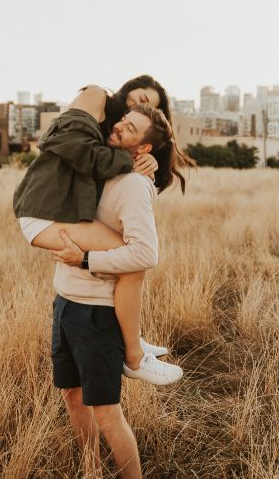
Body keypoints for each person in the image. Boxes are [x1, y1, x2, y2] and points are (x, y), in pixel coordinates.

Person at [43, 104, 190, 478]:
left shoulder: (133, 185)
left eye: (130, 129)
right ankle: (90, 469)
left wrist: (87, 259)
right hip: (65, 303)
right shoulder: (96, 165)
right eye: (123, 121)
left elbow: (145, 253)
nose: (120, 127)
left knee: (108, 413)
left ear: (142, 150)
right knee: (72, 396)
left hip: (97, 313)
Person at [13, 77, 188, 383]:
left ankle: (131, 340)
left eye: (151, 107)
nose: (141, 107)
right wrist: (127, 159)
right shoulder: (96, 96)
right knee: (136, 258)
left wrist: (139, 158)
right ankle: (133, 356)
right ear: (128, 89)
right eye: (141, 99)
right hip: (44, 212)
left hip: (56, 211)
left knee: (133, 259)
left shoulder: (113, 138)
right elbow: (68, 144)